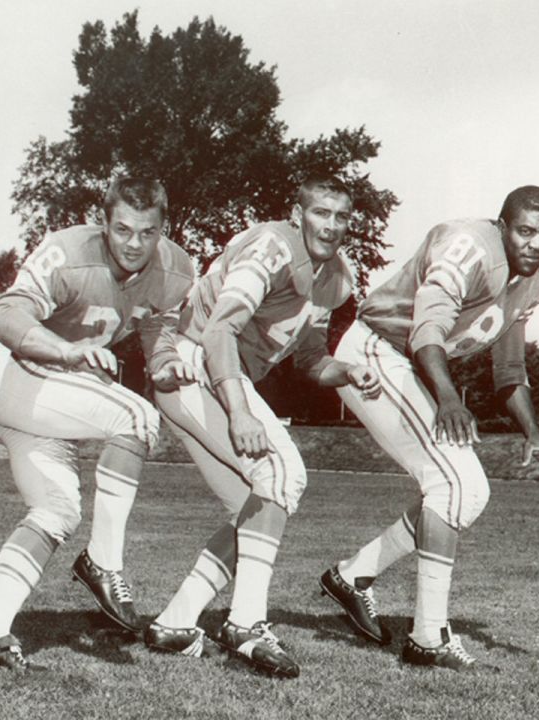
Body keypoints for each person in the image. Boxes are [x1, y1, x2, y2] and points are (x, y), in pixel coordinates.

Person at [318, 185, 539, 671]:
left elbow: (509, 367)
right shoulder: (469, 247)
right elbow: (427, 329)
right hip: (376, 352)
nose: (536, 244)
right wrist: (449, 398)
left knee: (465, 494)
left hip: (408, 365)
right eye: (525, 231)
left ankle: (353, 577)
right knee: (455, 483)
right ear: (502, 227)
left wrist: (534, 434)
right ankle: (427, 638)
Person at [142, 175, 381, 679]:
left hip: (213, 373)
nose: (331, 226)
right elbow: (219, 330)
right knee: (282, 474)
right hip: (193, 364)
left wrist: (347, 372)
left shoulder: (335, 276)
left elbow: (311, 359)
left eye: (341, 217)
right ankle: (245, 624)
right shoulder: (272, 247)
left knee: (254, 505)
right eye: (320, 213)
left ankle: (176, 621)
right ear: (297, 214)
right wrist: (240, 411)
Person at [0, 178, 195, 672]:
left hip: (48, 395)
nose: (133, 243)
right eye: (123, 229)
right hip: (18, 370)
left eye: (147, 232)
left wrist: (168, 365)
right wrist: (65, 350)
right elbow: (2, 315)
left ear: (163, 229)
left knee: (57, 509)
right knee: (136, 416)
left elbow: (157, 335)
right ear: (103, 223)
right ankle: (103, 563)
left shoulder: (176, 270)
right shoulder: (69, 251)